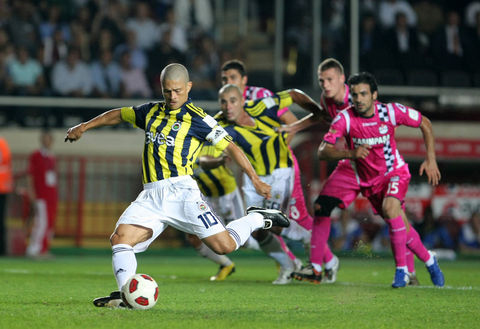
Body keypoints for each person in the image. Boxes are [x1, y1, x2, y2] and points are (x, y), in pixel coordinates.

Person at [64, 63, 290, 307]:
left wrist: (254, 179)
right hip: (151, 196)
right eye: (167, 91)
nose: (172, 96)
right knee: (120, 239)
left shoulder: (198, 118)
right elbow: (119, 113)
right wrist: (83, 126)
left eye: (178, 91)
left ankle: (258, 217)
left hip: (183, 194)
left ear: (189, 87)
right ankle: (126, 295)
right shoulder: (149, 112)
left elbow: (231, 147)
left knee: (224, 246)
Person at [287, 58, 419, 285]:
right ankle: (317, 267)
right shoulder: (327, 101)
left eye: (329, 80)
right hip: (351, 163)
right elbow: (322, 115)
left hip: (377, 166)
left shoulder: (358, 97)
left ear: (341, 79)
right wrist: (296, 126)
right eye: (321, 81)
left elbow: (381, 118)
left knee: (396, 217)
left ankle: (413, 269)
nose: (325, 85)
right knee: (322, 206)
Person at [310, 72, 445, 287]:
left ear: (374, 94)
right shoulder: (345, 118)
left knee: (392, 209)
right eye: (355, 95)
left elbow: (425, 123)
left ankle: (401, 272)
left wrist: (431, 160)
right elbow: (322, 151)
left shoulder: (391, 112)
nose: (359, 99)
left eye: (364, 94)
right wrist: (350, 154)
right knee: (403, 228)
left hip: (394, 173)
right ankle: (429, 260)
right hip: (369, 182)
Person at [216, 84, 326, 284]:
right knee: (257, 231)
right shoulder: (218, 124)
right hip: (254, 179)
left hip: (280, 171)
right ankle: (289, 265)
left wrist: (317, 111)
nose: (228, 106)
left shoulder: (260, 106)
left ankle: (307, 237)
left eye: (232, 100)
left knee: (272, 224)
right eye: (223, 102)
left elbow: (294, 93)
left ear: (242, 101)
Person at [26, 130, 58, 258]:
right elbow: (30, 175)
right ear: (41, 140)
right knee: (41, 222)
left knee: (49, 223)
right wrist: (32, 192)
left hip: (51, 195)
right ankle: (34, 249)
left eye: (49, 139)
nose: (47, 142)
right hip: (41, 194)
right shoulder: (36, 155)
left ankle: (43, 249)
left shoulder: (51, 157)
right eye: (45, 139)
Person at [0, 136, 13, 256]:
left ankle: (2, 249)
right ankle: (2, 249)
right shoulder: (3, 143)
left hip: (2, 187)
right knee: (1, 220)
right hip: (3, 186)